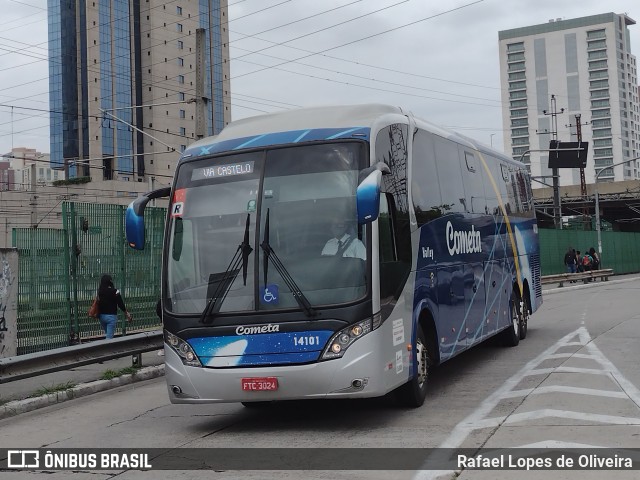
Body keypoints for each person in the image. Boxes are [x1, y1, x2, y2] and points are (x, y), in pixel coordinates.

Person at [96, 274, 132, 339]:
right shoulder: (115, 291)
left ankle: (106, 348)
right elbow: (120, 304)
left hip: (102, 317)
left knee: (108, 334)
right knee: (109, 339)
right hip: (111, 317)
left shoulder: (100, 292)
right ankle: (105, 349)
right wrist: (127, 313)